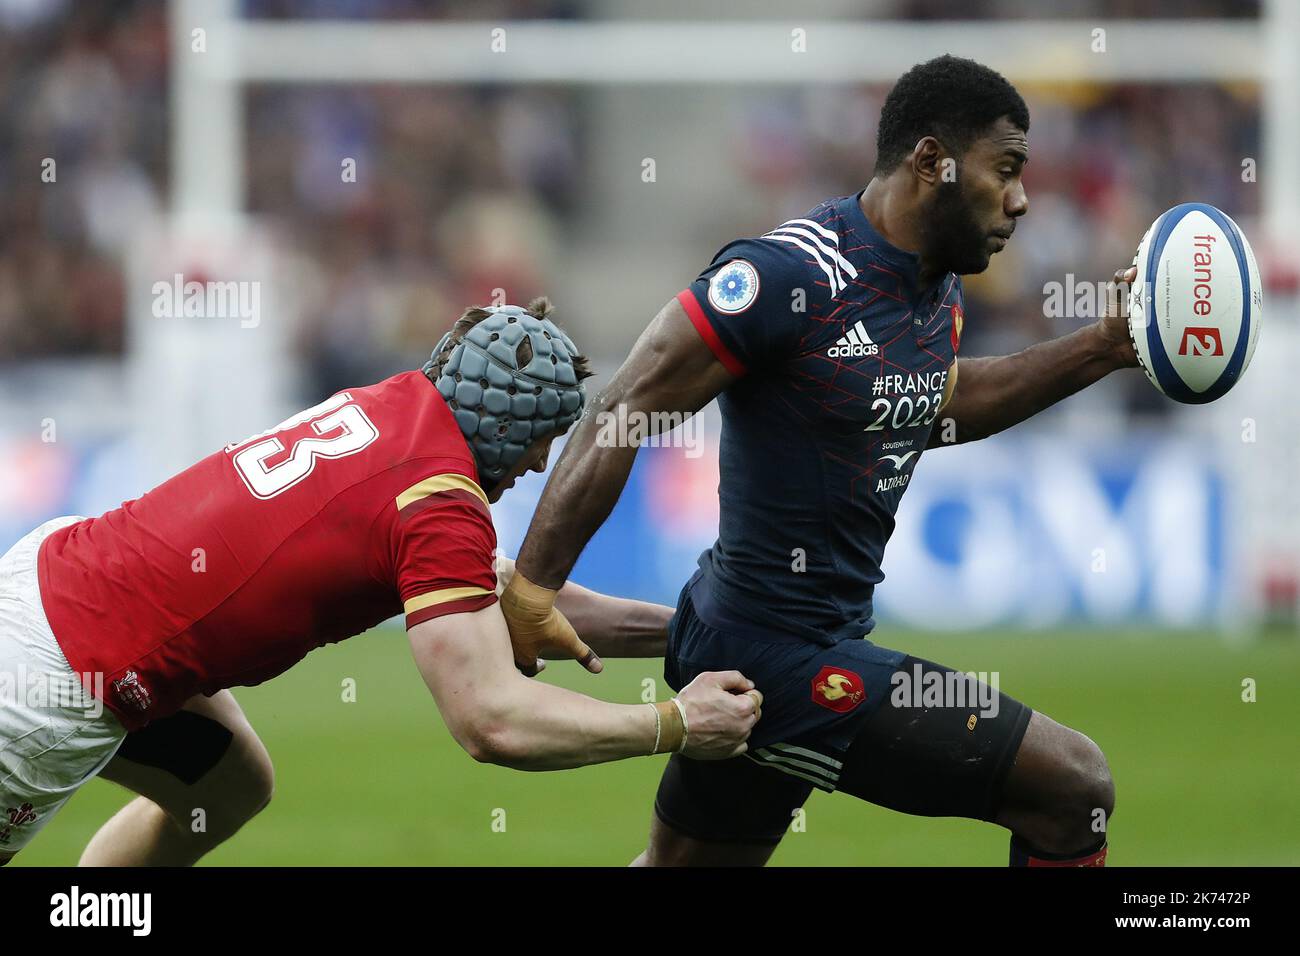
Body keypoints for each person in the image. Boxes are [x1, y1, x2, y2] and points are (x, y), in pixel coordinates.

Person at [500, 56, 1138, 867]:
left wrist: (1104, 346)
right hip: (779, 658)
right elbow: (624, 410)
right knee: (1074, 789)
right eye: (1005, 168)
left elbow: (936, 404)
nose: (1020, 198)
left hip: (785, 641)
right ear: (933, 161)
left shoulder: (935, 288)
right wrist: (530, 591)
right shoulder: (786, 276)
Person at [0, 297, 762, 865]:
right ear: (502, 424)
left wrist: (705, 635)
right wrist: (677, 724)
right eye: (541, 441)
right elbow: (493, 720)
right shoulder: (436, 500)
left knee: (228, 786)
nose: (538, 464)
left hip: (57, 580)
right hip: (54, 683)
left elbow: (511, 596)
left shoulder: (393, 410)